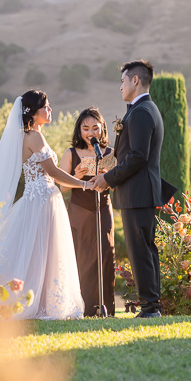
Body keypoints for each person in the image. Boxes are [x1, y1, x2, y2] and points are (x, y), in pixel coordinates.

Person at [0, 90, 92, 320]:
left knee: (37, 253)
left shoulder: (29, 136)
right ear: (32, 113)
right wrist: (84, 185)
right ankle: (42, 303)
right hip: (42, 199)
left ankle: (38, 300)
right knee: (43, 251)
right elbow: (52, 172)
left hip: (39, 198)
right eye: (46, 106)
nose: (50, 109)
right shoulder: (34, 137)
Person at [90, 60, 164, 318]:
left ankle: (150, 307)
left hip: (138, 192)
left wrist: (108, 179)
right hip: (139, 191)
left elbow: (137, 156)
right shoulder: (142, 109)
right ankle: (152, 304)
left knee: (139, 249)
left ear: (135, 80)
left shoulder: (142, 111)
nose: (120, 86)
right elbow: (131, 154)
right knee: (145, 248)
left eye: (122, 81)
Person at [60, 107, 116, 316]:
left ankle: (106, 308)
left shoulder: (109, 153)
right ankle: (81, 308)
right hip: (79, 211)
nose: (90, 133)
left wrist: (106, 177)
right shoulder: (71, 153)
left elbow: (114, 185)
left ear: (102, 129)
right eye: (86, 128)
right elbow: (63, 187)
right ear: (79, 130)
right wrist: (76, 175)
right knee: (81, 258)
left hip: (103, 209)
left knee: (105, 255)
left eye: (95, 128)